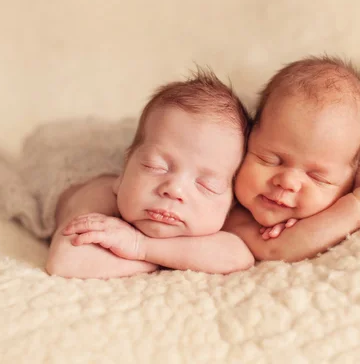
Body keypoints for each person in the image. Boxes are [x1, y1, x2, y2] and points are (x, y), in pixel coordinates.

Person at [68, 56, 360, 267]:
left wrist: (358, 186)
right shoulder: (234, 208)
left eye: (318, 176)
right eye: (271, 158)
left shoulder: (344, 176)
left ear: (347, 176)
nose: (287, 183)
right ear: (249, 139)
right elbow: (274, 248)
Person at [46, 69, 255, 279]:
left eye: (207, 185)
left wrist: (141, 247)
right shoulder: (99, 197)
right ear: (124, 174)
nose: (174, 189)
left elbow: (238, 257)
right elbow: (65, 261)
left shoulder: (208, 217)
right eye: (155, 167)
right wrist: (178, 258)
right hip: (64, 165)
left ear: (230, 205)